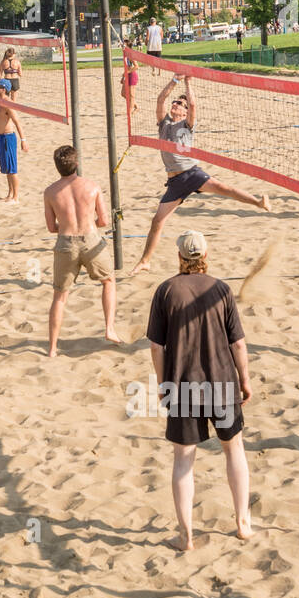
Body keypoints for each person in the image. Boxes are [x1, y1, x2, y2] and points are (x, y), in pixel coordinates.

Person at [147, 231, 252, 550]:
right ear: (206, 256)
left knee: (183, 460)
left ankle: (186, 536)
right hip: (222, 381)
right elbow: (238, 343)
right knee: (234, 450)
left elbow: (156, 345)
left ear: (180, 257)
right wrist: (244, 379)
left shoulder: (166, 290)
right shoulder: (221, 289)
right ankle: (243, 524)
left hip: (183, 385)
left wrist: (164, 382)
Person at [130, 75, 270, 274]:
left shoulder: (187, 125)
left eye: (180, 103)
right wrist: (174, 81)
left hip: (191, 174)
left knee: (224, 189)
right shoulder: (164, 124)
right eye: (175, 102)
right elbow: (161, 99)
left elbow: (193, 105)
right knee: (157, 222)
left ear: (185, 110)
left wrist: (188, 82)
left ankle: (258, 202)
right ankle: (145, 260)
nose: (176, 104)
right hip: (175, 181)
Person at [43, 144, 120, 359]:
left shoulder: (50, 192)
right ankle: (109, 328)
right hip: (91, 239)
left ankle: (52, 348)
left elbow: (51, 227)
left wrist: (68, 226)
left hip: (66, 243)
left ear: (57, 167)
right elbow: (104, 220)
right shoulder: (92, 186)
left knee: (59, 296)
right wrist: (87, 224)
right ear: (76, 164)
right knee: (108, 281)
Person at [0, 82, 28, 203]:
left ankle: (16, 197)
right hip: (1, 137)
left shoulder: (8, 104)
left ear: (3, 89)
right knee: (7, 169)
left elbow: (17, 122)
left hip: (8, 138)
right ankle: (10, 194)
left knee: (12, 169)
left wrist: (23, 140)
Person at [120, 39, 138, 116]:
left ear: (128, 46)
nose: (122, 46)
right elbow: (127, 67)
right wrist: (123, 76)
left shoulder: (130, 54)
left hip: (132, 75)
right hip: (127, 75)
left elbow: (136, 66)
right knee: (123, 93)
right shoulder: (125, 53)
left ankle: (130, 111)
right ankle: (136, 106)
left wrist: (127, 73)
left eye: (124, 45)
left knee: (131, 95)